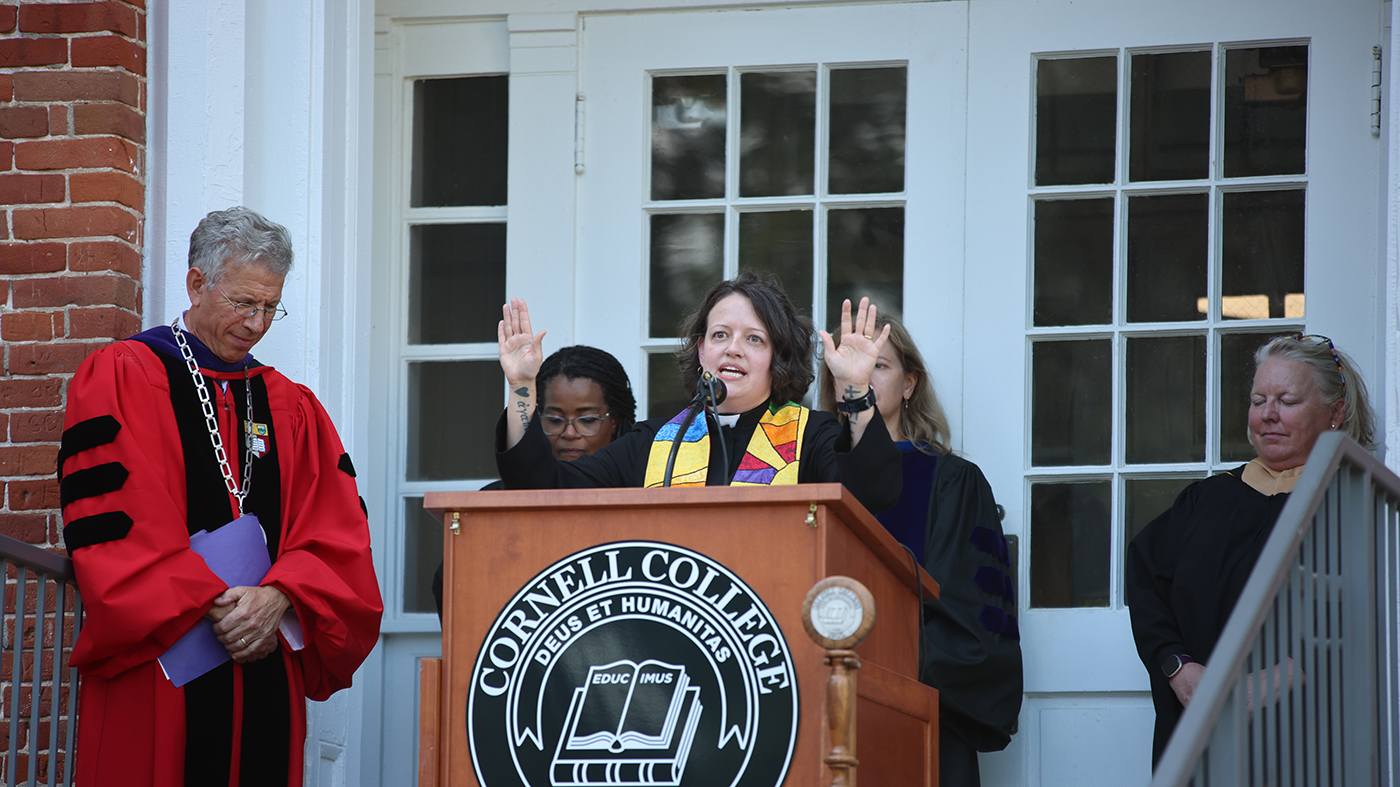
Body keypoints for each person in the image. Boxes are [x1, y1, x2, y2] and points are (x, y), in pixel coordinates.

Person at [58, 207, 384, 787]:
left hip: (264, 653)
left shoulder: (292, 405)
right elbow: (117, 518)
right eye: (243, 303)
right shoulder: (124, 375)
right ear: (196, 283)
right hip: (162, 658)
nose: (257, 323)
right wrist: (216, 601)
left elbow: (335, 526)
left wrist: (282, 596)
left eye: (269, 307)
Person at [1126, 334, 1377, 767]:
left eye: (1287, 400)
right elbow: (1147, 580)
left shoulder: (1357, 505)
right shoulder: (1205, 501)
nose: (1268, 415)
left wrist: (1293, 671)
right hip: (1201, 742)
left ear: (1335, 412)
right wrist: (1177, 667)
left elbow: (1364, 608)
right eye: (1258, 399)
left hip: (1306, 742)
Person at [495, 271, 901, 513]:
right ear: (701, 349)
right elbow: (540, 486)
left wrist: (853, 387)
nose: (733, 348)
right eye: (720, 334)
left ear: (778, 358)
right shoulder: (653, 442)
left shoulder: (814, 437)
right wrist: (521, 388)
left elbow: (872, 495)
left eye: (755, 339)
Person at [820, 314, 1022, 787]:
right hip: (819, 701)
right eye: (847, 366)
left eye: (879, 366)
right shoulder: (811, 477)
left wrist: (884, 670)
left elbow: (973, 618)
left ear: (910, 384)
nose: (861, 377)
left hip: (920, 703)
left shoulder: (950, 480)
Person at [432, 345, 637, 620]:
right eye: (554, 420)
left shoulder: (642, 493)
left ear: (615, 422)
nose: (569, 433)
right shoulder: (495, 503)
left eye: (587, 420)